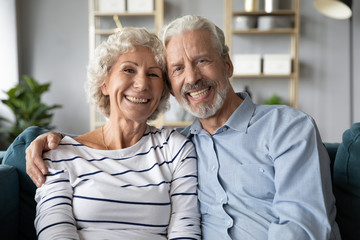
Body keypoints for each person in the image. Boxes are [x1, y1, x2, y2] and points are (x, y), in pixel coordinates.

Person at [26, 16, 340, 239]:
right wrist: (47, 140)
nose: (191, 78)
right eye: (177, 69)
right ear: (173, 88)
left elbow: (302, 225)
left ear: (227, 65)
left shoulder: (286, 128)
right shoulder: (185, 144)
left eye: (203, 60)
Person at [32, 27, 200, 240]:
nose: (141, 84)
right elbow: (54, 233)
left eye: (153, 74)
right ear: (104, 83)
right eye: (129, 70)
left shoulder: (175, 149)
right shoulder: (59, 154)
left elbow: (185, 230)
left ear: (163, 92)